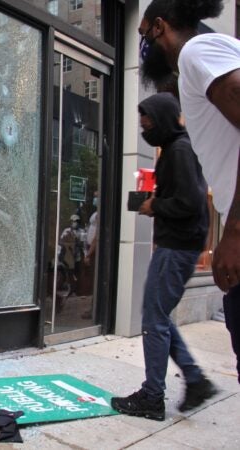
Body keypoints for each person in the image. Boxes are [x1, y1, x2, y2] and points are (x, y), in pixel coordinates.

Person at [139, 0, 240, 382]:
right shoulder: (212, 55)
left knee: (155, 314)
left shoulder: (197, 51)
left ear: (160, 27)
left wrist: (234, 234)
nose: (143, 47)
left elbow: (190, 200)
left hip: (184, 241)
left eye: (143, 33)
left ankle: (165, 388)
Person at [111, 93, 216, 420]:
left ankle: (153, 397)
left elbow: (191, 202)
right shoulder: (176, 149)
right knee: (160, 317)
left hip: (177, 248)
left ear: (164, 118)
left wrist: (154, 205)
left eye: (148, 123)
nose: (145, 129)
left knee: (153, 320)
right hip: (178, 246)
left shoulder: (180, 151)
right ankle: (195, 379)